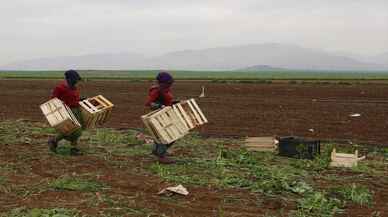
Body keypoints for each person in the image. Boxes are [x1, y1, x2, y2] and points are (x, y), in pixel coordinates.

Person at [48, 70, 85, 155]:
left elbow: (73, 99)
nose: (76, 81)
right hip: (66, 111)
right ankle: (53, 140)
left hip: (76, 111)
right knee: (73, 130)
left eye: (77, 79)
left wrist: (81, 100)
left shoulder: (74, 88)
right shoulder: (60, 88)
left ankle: (73, 149)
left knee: (74, 130)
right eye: (74, 79)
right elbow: (53, 100)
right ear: (68, 79)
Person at [145, 71, 178, 164]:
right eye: (168, 83)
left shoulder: (165, 90)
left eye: (170, 83)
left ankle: (157, 152)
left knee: (164, 134)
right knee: (167, 134)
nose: (170, 85)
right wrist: (160, 106)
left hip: (165, 115)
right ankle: (161, 156)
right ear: (162, 83)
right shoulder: (156, 90)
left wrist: (176, 102)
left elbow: (167, 101)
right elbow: (149, 103)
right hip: (158, 116)